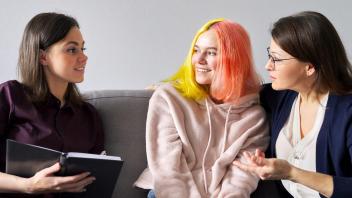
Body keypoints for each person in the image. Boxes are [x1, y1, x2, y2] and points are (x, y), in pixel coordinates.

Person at [134, 18, 269, 198]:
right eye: (196, 51)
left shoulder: (254, 117)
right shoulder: (169, 98)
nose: (198, 59)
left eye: (211, 53)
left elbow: (242, 175)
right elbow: (168, 167)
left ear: (234, 59)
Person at [233, 11, 352, 198]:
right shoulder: (280, 97)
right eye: (269, 55)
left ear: (310, 67)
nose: (268, 66)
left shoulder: (347, 112)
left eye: (277, 59)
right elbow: (227, 92)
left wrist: (292, 173)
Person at [0, 12, 104, 197]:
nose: (83, 57)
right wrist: (27, 185)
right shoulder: (11, 96)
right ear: (43, 57)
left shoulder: (89, 115)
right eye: (72, 50)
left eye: (83, 49)